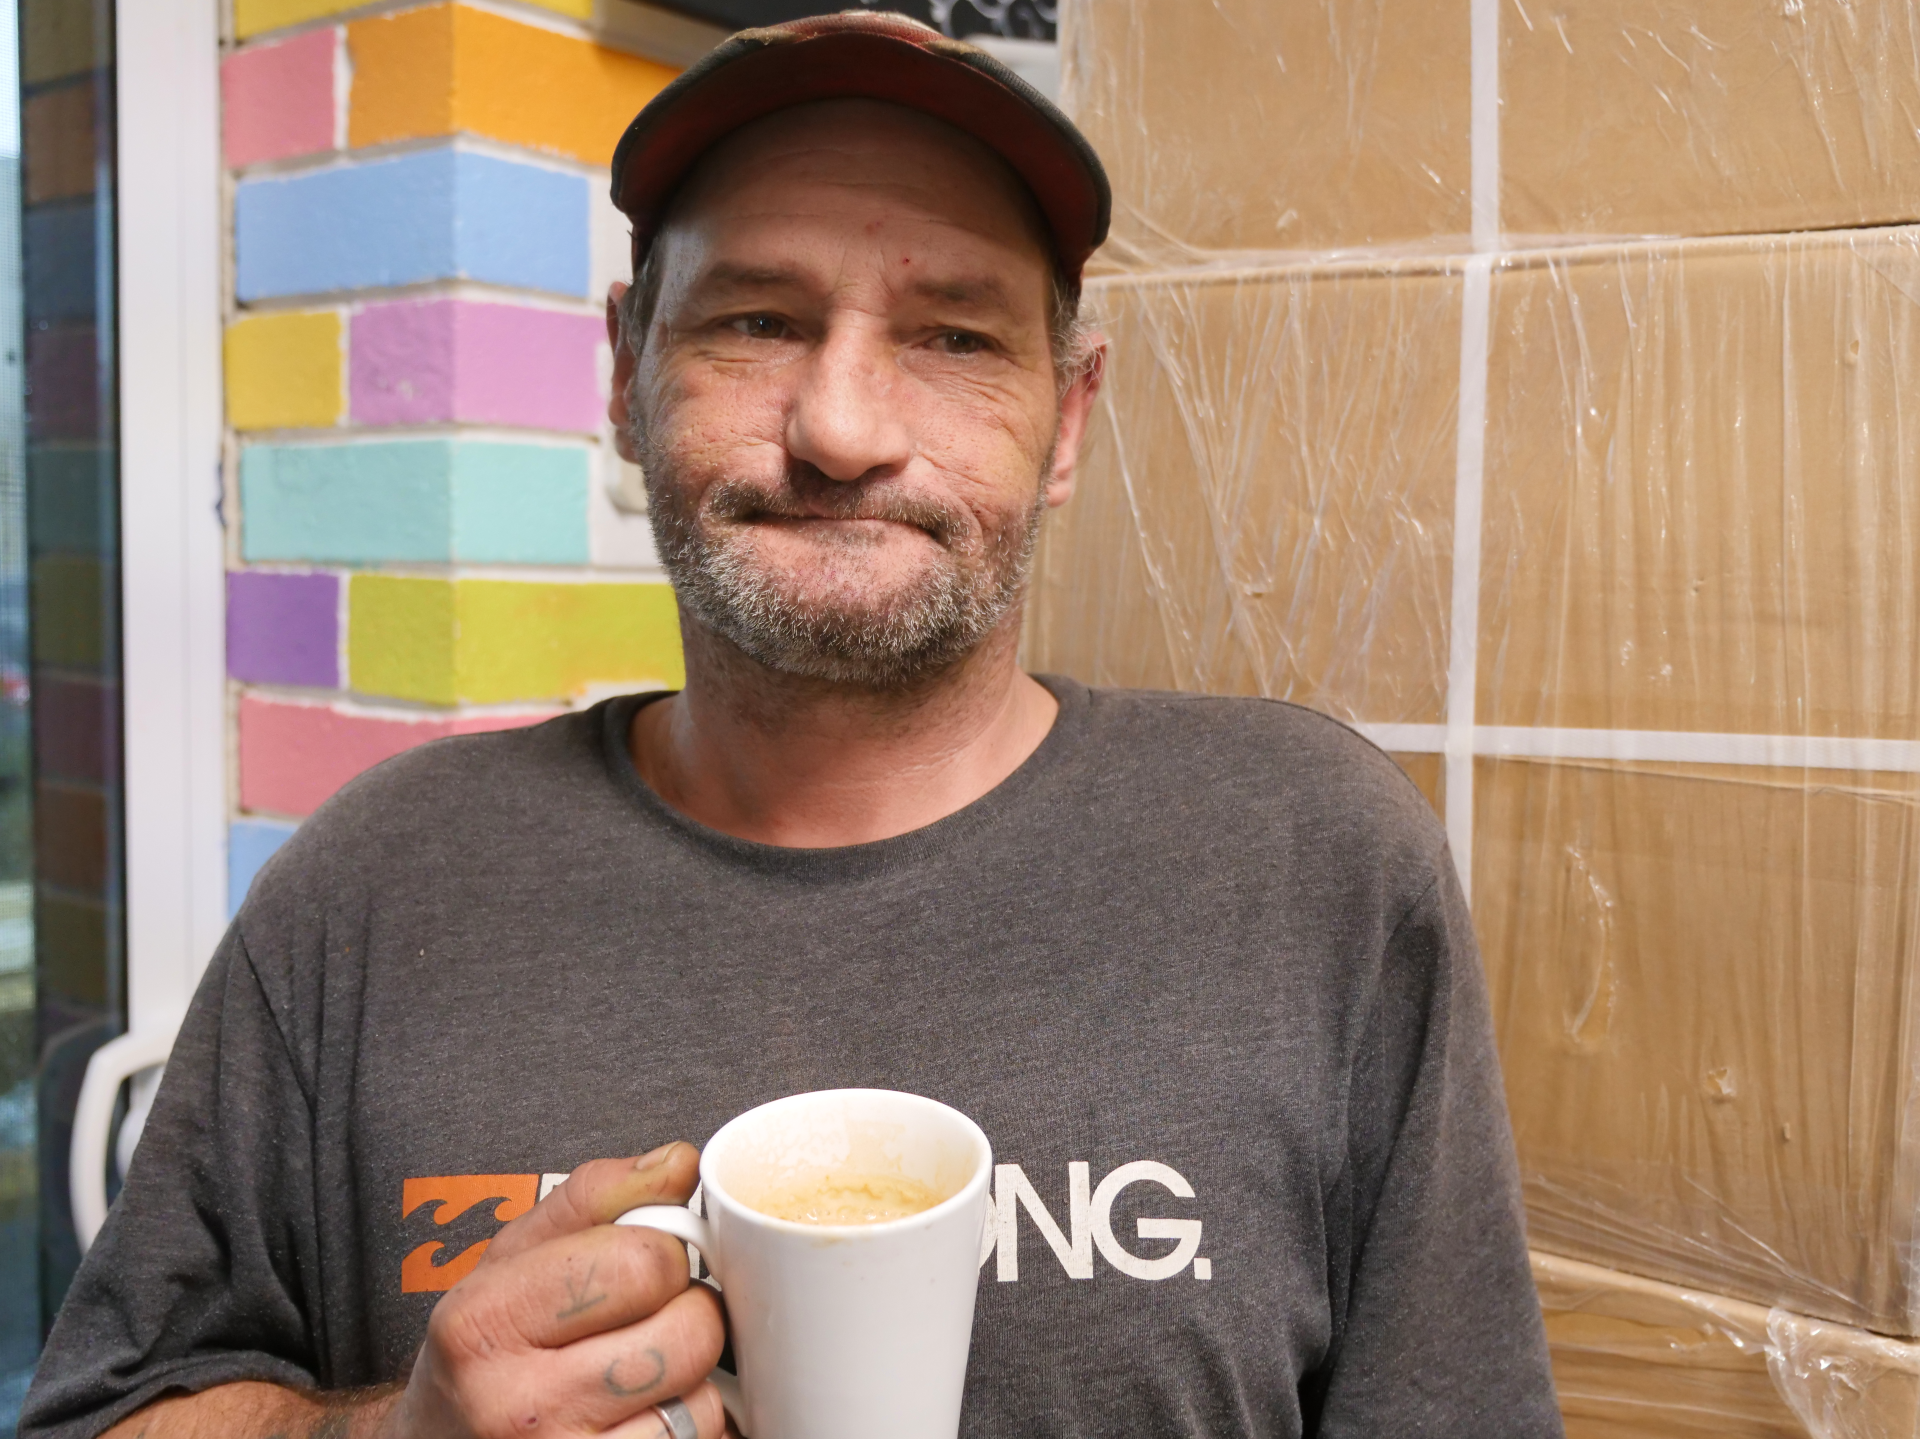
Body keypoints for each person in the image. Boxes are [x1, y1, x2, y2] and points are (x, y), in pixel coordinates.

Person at [22, 13, 1560, 1439]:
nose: (842, 427)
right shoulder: (380, 881)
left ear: (1069, 417)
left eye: (955, 339)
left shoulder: (1311, 862)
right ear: (627, 378)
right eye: (758, 320)